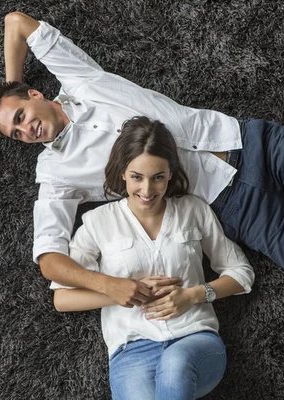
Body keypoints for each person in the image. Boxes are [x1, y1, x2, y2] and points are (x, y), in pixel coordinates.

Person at [0, 12, 284, 302]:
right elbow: (49, 258)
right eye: (16, 134)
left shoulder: (80, 78)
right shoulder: (55, 172)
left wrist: (7, 86)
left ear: (35, 95)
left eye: (20, 116)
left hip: (255, 143)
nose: (26, 130)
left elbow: (16, 23)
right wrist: (110, 286)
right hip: (233, 207)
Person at [51, 116, 255, 400]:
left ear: (170, 174)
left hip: (195, 340)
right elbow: (62, 299)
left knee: (175, 363)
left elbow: (241, 272)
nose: (147, 191)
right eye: (137, 177)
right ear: (122, 172)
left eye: (158, 177)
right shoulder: (98, 222)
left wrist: (195, 295)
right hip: (131, 350)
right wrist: (118, 290)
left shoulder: (193, 210)